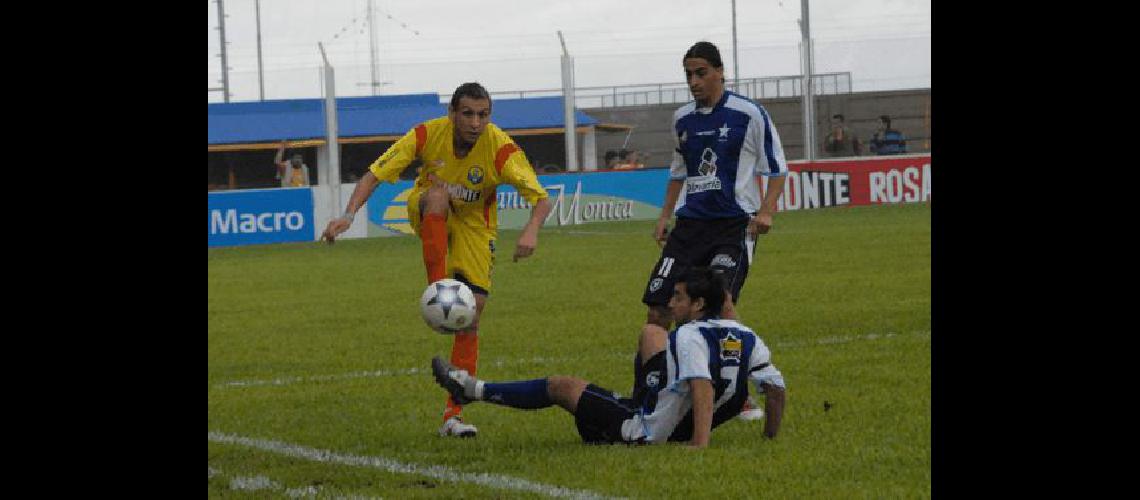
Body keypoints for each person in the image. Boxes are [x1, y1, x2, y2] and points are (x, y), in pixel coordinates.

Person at [321, 82, 553, 438]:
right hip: (429, 207)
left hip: (477, 225)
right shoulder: (428, 133)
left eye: (483, 115)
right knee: (438, 194)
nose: (476, 122)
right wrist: (349, 216)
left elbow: (540, 198)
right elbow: (375, 174)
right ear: (452, 114)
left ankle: (454, 415)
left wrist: (531, 230)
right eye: (468, 114)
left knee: (472, 315)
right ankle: (437, 287)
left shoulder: (501, 148)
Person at [431, 267, 786, 447]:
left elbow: (702, 386)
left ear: (697, 305)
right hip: (674, 416)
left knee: (560, 386)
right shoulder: (746, 335)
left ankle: (470, 389)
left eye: (677, 298)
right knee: (651, 334)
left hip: (648, 432)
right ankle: (632, 405)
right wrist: (770, 436)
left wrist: (699, 444)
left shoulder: (690, 335)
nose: (670, 303)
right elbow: (775, 389)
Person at [642, 41, 788, 421]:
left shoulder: (748, 113)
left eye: (701, 73)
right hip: (689, 227)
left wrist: (767, 211)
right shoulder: (682, 119)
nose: (694, 81)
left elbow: (777, 168)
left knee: (718, 306)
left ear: (720, 72)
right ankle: (657, 394)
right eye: (688, 74)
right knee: (659, 310)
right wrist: (664, 216)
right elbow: (678, 172)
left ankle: (740, 395)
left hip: (732, 226)